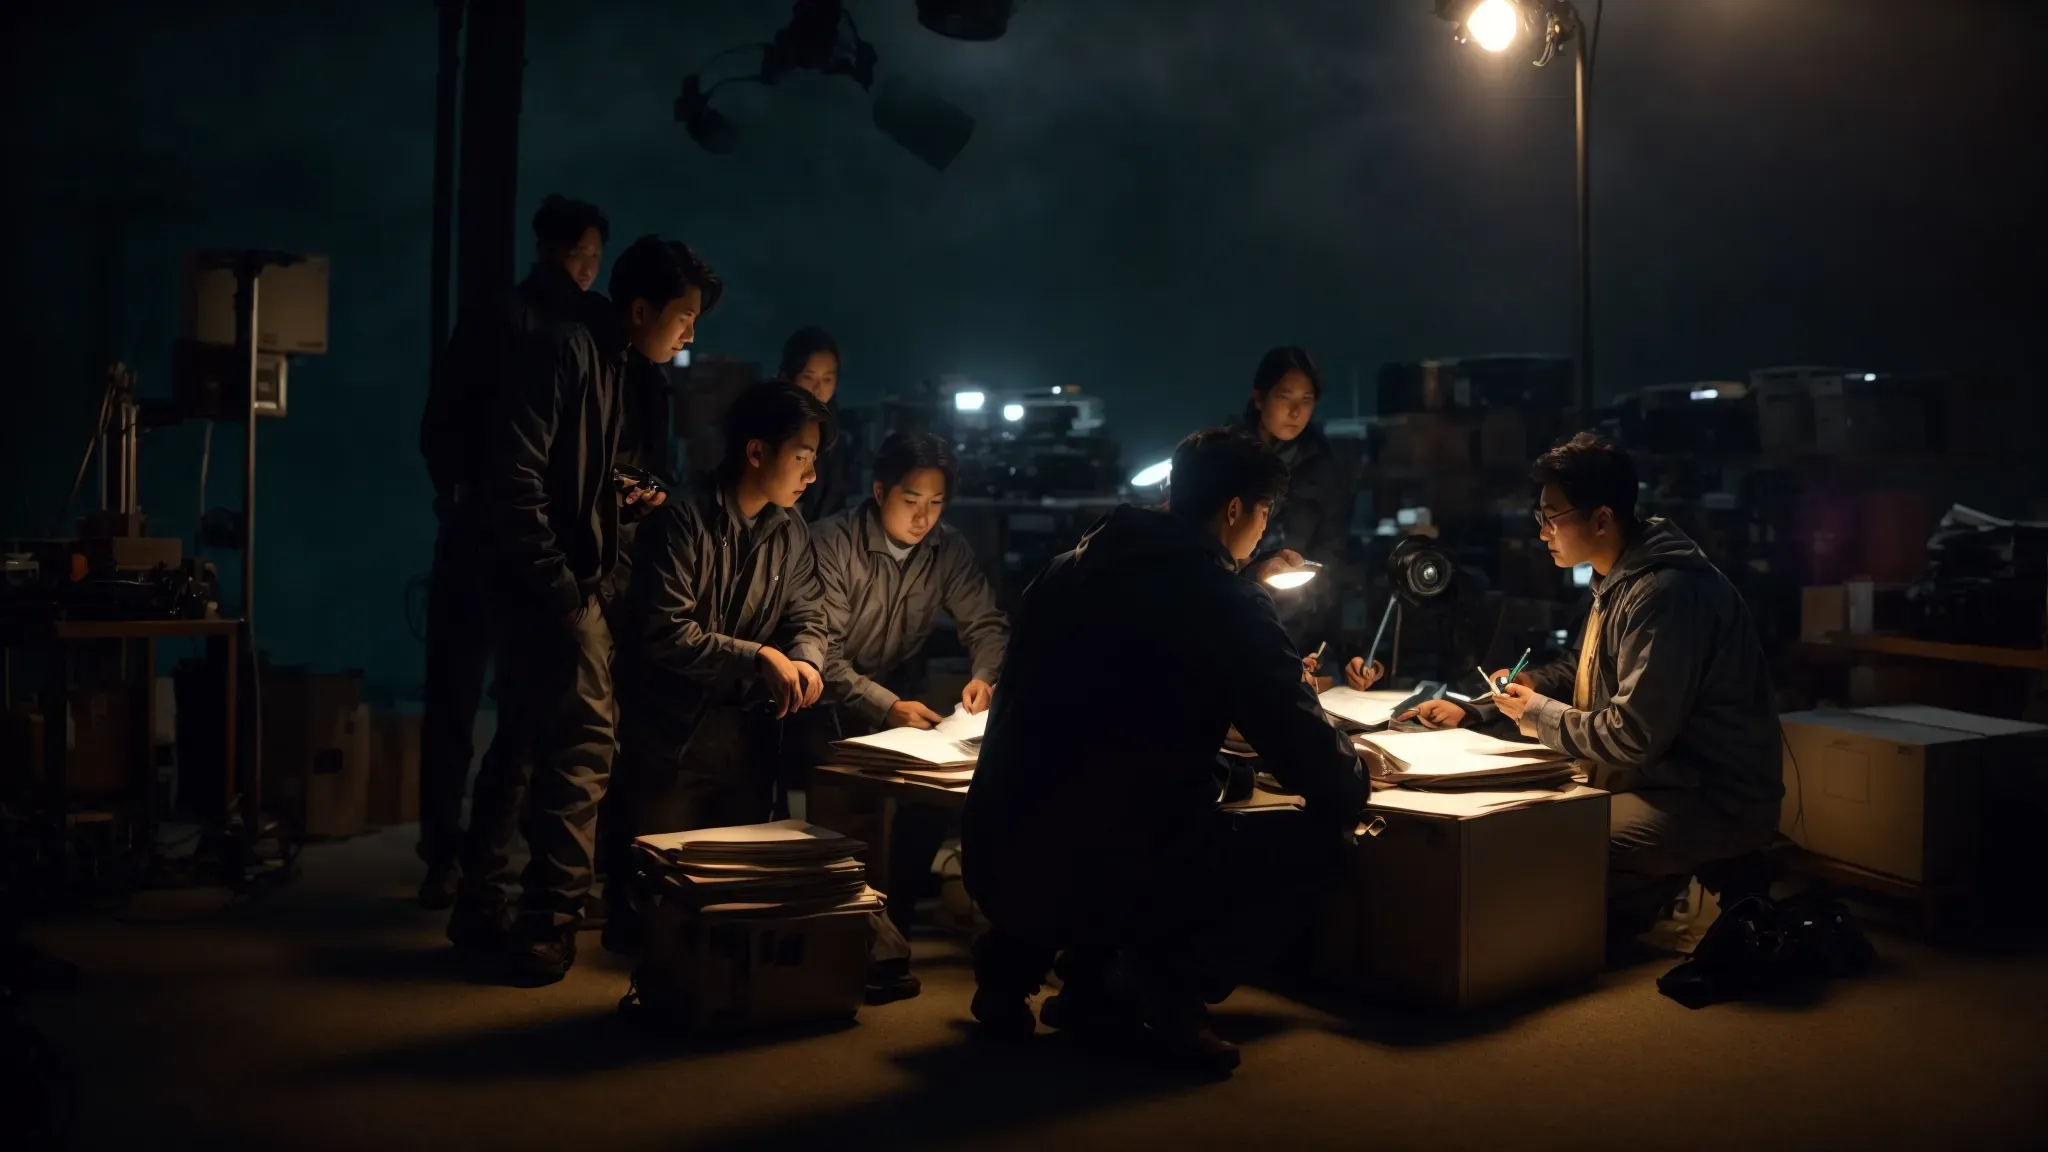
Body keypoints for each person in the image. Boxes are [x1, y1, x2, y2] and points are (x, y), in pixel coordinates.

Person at [963, 427, 1365, 1075]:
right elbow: (1304, 747)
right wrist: (1354, 779)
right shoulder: (1223, 601)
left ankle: (1023, 972)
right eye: (1264, 514)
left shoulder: (1066, 569)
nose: (1263, 532)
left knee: (1113, 789)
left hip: (999, 844)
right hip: (1116, 860)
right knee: (1324, 841)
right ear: (1235, 509)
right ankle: (1167, 988)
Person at [449, 235, 716, 986]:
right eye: (684, 316)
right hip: (550, 585)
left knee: (526, 741)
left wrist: (622, 497)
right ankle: (548, 923)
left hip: (551, 579)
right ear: (640, 310)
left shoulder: (608, 360)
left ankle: (481, 907)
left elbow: (568, 476)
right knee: (585, 749)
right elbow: (517, 477)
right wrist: (565, 587)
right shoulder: (570, 353)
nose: (691, 333)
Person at [1413, 434, 1783, 938]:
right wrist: (1501, 699)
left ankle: (1706, 874)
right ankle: (1649, 890)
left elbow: (1633, 734)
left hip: (1708, 798)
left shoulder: (1666, 593)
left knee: (1548, 842)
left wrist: (1537, 713)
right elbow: (1583, 668)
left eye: (1552, 516)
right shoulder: (1621, 578)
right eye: (1539, 517)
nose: (1543, 531)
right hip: (1654, 781)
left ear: (1602, 519)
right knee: (1533, 844)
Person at [414, 194, 609, 909]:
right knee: (467, 703)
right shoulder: (515, 322)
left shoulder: (577, 325)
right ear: (554, 251)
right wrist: (462, 493)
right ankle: (450, 856)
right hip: (490, 541)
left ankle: (479, 862)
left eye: (591, 257)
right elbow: (447, 423)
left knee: (518, 710)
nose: (586, 269)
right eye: (582, 255)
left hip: (526, 543)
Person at [601, 380, 835, 953]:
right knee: (650, 898)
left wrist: (804, 661)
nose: (811, 476)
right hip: (669, 737)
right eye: (801, 458)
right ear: (756, 452)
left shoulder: (790, 530)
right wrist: (758, 656)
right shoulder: (683, 519)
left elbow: (809, 615)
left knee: (732, 894)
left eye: (815, 461)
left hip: (746, 737)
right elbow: (665, 631)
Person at [804, 430, 1009, 1001]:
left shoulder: (948, 548)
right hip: (819, 695)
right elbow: (825, 657)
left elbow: (987, 624)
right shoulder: (831, 543)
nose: (923, 518)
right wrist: (884, 704)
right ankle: (855, 927)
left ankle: (896, 912)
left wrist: (983, 677)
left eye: (936, 504)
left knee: (934, 791)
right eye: (910, 500)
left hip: (899, 692)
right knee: (852, 797)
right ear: (878, 490)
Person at [1235, 347, 1351, 655]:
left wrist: (1334, 646)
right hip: (1235, 616)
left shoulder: (1324, 465)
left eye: (1306, 399)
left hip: (1299, 625)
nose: (1295, 411)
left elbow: (1333, 553)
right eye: (1285, 397)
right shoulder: (1227, 455)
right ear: (1259, 398)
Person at [781, 327, 853, 523]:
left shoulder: (835, 433)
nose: (818, 388)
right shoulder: (771, 426)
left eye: (827, 379)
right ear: (789, 376)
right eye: (809, 377)